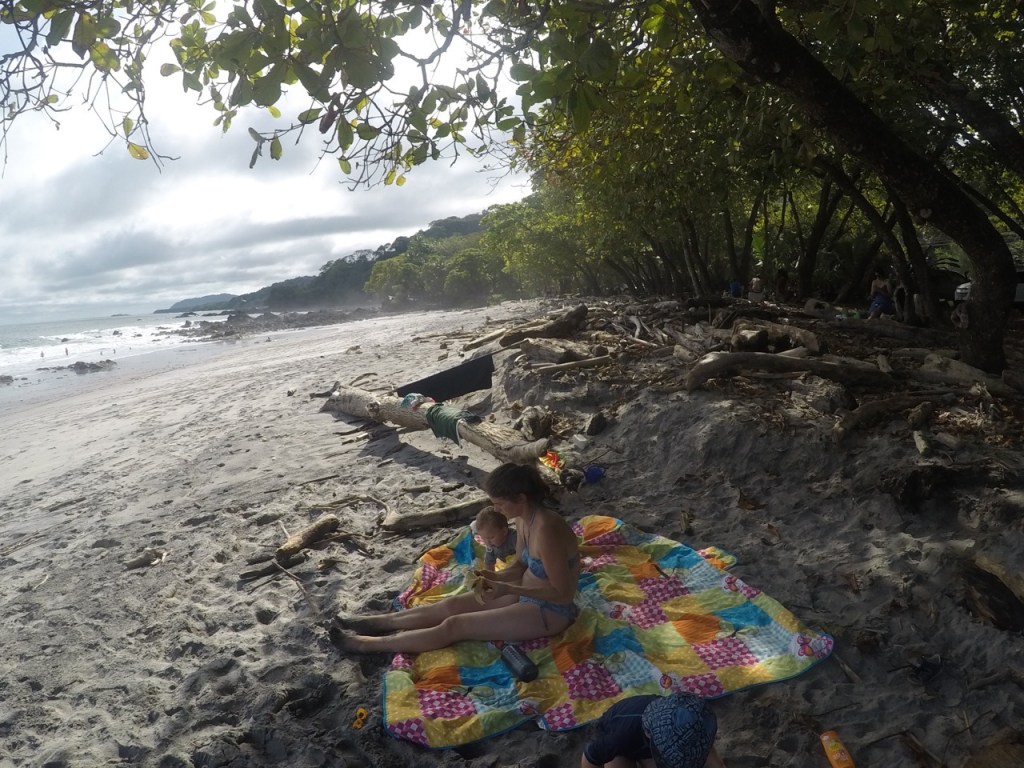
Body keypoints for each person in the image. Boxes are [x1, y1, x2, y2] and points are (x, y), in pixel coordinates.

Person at [337, 462, 581, 654]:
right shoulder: (522, 519)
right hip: (523, 592)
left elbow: (563, 594)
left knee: (455, 625)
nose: (496, 510)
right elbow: (520, 565)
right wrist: (492, 578)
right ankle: (379, 623)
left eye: (499, 504)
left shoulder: (547, 529)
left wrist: (507, 588)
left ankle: (365, 645)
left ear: (521, 498)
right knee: (450, 606)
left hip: (549, 611)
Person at [581, 692, 726, 768]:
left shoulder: (685, 715)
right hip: (620, 747)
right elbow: (590, 757)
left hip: (647, 745)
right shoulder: (619, 737)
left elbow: (702, 741)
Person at [473, 505, 518, 571]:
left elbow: (522, 557)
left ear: (504, 531)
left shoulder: (514, 538)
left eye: (491, 537)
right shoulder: (491, 547)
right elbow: (489, 565)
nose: (487, 542)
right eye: (484, 538)